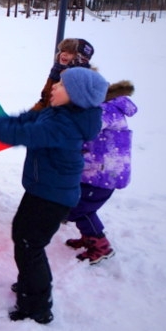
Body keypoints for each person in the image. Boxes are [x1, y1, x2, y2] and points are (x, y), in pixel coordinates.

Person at [0, 66, 108, 324]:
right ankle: (29, 282)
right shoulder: (57, 113)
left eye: (62, 85)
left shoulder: (64, 124)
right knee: (22, 235)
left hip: (53, 197)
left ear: (76, 95)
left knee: (30, 245)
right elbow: (22, 121)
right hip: (42, 190)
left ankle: (39, 304)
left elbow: (24, 134)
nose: (54, 86)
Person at [64, 80, 137, 264]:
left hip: (103, 175)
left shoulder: (106, 110)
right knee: (81, 206)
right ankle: (89, 237)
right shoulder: (102, 107)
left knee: (81, 209)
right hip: (95, 171)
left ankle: (101, 246)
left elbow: (85, 129)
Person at [30, 38, 94, 111]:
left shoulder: (81, 81)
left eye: (70, 52)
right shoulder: (56, 72)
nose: (64, 54)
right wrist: (25, 118)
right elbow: (44, 101)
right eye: (63, 50)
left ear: (80, 59)